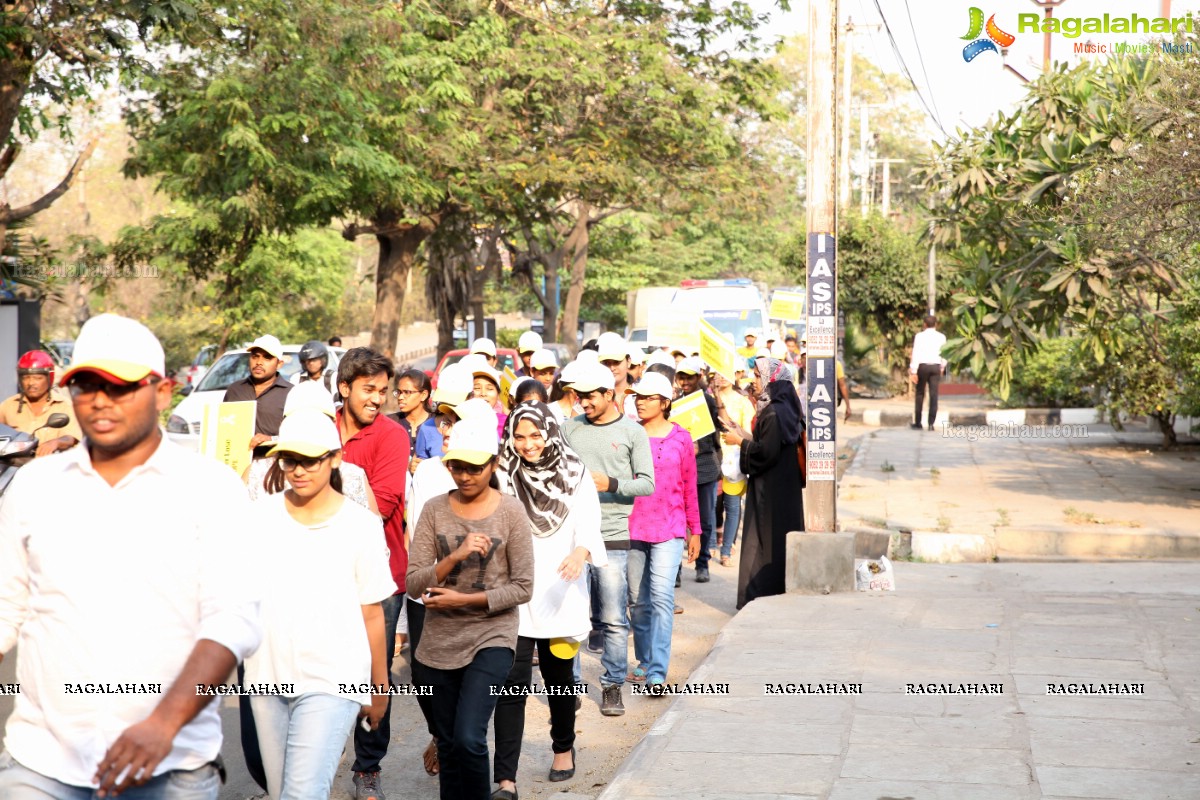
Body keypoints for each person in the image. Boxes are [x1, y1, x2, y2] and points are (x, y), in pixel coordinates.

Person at [0, 313, 260, 799]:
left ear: (162, 393)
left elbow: (232, 622)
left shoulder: (210, 489)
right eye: (86, 385)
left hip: (171, 766)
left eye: (120, 386)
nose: (100, 399)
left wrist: (163, 724)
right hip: (41, 764)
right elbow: (6, 607)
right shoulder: (35, 487)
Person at [247, 409, 394, 799]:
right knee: (283, 794)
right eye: (289, 459)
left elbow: (372, 612)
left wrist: (380, 687)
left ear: (335, 458)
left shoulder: (360, 525)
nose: (298, 470)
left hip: (334, 679)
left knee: (302, 793)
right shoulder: (259, 518)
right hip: (266, 676)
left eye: (310, 459)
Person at [406, 416, 533, 800]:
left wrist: (465, 600)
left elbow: (523, 587)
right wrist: (454, 557)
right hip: (437, 645)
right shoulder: (433, 510)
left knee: (468, 738)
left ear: (493, 465)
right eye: (457, 467)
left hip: (492, 637)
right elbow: (414, 583)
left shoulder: (511, 512)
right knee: (447, 743)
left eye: (475, 468)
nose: (464, 475)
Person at [492, 403, 606, 799]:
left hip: (561, 591)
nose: (527, 445)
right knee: (511, 685)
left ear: (550, 433)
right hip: (517, 594)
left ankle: (562, 747)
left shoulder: (574, 473)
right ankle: (505, 777)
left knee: (559, 682)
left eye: (535, 435)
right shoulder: (504, 474)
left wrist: (580, 553)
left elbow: (590, 523)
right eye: (519, 436)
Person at [407, 397, 496, 779]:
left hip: (474, 596)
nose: (445, 430)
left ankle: (459, 742)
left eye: (454, 423)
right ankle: (440, 733)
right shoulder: (427, 471)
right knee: (423, 675)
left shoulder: (498, 482)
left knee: (471, 677)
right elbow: (415, 527)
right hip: (427, 583)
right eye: (444, 422)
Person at [336, 347, 411, 800]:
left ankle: (367, 767)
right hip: (319, 576)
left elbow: (380, 504)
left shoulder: (393, 436)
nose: (378, 399)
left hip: (378, 575)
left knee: (372, 674)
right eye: (369, 390)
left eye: (383, 391)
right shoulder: (317, 430)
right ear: (344, 388)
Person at [561, 362, 655, 717]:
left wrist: (611, 484)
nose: (582, 402)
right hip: (571, 538)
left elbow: (646, 483)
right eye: (579, 395)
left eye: (589, 396)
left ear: (609, 395)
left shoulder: (633, 432)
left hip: (613, 535)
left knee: (614, 618)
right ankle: (566, 688)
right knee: (571, 617)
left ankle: (613, 685)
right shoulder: (568, 429)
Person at [625, 372, 701, 692]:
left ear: (665, 403)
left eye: (647, 397)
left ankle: (658, 669)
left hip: (670, 528)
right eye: (637, 397)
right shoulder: (628, 433)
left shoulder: (681, 438)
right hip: (631, 527)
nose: (640, 402)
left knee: (661, 597)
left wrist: (695, 530)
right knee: (637, 600)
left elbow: (689, 487)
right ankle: (644, 660)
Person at [722, 357, 804, 609]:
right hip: (782, 488)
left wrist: (740, 443)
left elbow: (765, 453)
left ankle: (759, 595)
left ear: (772, 380)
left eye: (758, 376)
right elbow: (770, 444)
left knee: (763, 542)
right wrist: (743, 433)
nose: (753, 381)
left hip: (770, 491)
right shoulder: (781, 408)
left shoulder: (774, 412)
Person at [674, 358, 723, 583]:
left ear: (698, 377)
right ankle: (675, 569)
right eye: (681, 376)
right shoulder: (673, 403)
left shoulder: (708, 401)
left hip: (704, 467)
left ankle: (702, 564)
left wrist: (701, 448)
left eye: (689, 377)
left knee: (703, 519)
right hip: (679, 468)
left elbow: (715, 434)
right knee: (677, 519)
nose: (685, 381)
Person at [0, 349, 83, 456]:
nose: (31, 383)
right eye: (25, 378)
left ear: (49, 378)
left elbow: (70, 438)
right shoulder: (9, 405)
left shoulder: (64, 405)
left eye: (37, 378)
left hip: (51, 466)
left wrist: (55, 443)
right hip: (13, 467)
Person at [222, 334, 293, 454]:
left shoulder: (291, 393)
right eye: (255, 356)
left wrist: (271, 439)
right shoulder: (235, 390)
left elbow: (298, 435)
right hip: (238, 462)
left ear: (279, 364)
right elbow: (224, 428)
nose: (259, 362)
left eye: (267, 358)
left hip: (275, 464)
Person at [712, 371, 755, 567]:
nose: (720, 378)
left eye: (724, 374)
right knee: (712, 505)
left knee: (732, 506)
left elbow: (746, 432)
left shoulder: (743, 402)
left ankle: (726, 550)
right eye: (716, 374)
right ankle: (711, 543)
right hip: (713, 458)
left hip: (733, 461)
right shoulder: (707, 399)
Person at [387, 368, 440, 470]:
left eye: (407, 392)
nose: (400, 397)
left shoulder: (436, 423)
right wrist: (406, 467)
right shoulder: (390, 423)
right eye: (398, 392)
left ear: (423, 395)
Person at [910, 314, 947, 431]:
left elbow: (916, 353)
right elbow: (944, 353)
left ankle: (918, 422)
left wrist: (914, 371)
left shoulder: (919, 336)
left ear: (924, 324)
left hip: (923, 367)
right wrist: (942, 367)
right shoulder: (941, 337)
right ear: (936, 324)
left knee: (920, 394)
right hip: (935, 367)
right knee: (934, 395)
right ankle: (931, 424)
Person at [462, 353, 508, 438]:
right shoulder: (460, 420)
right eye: (477, 388)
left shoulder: (506, 423)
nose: (483, 394)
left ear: (498, 394)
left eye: (490, 389)